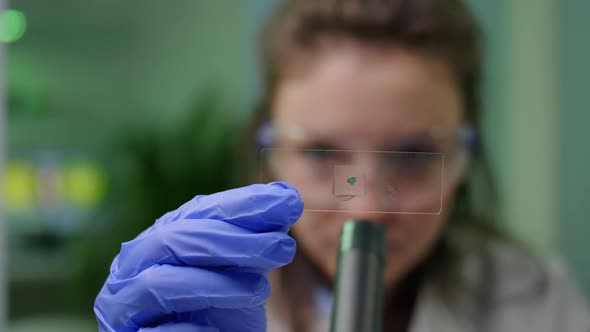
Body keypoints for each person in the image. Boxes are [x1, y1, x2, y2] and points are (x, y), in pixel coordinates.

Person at [94, 0, 590, 331]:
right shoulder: (197, 301)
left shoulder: (535, 299)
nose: (367, 210)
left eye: (414, 158)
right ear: (269, 153)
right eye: (320, 153)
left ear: (463, 160)